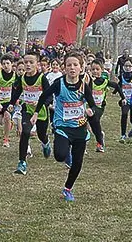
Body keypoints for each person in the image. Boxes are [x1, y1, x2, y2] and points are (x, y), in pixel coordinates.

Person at [33, 53, 95, 202]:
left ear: (81, 68)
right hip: (62, 126)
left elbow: (93, 104)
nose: (72, 68)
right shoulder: (59, 84)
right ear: (64, 68)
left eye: (75, 65)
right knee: (60, 155)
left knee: (78, 163)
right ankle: (65, 152)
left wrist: (91, 110)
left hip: (80, 127)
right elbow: (43, 96)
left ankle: (68, 188)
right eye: (69, 65)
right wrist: (36, 113)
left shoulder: (84, 86)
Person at [9, 52, 52, 176]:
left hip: (41, 112)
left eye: (31, 62)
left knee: (41, 135)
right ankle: (22, 162)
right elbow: (17, 92)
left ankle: (46, 143)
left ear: (37, 64)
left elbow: (49, 96)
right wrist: (12, 103)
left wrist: (43, 104)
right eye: (25, 62)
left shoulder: (42, 78)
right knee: (25, 132)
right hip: (27, 110)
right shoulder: (22, 78)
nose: (28, 65)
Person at [88, 59, 124, 152]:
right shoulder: (88, 81)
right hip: (89, 106)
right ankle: (99, 137)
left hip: (100, 107)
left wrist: (122, 97)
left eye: (97, 69)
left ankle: (100, 144)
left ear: (102, 70)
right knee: (92, 126)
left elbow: (116, 85)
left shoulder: (105, 81)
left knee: (95, 120)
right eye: (93, 69)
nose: (95, 71)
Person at [116, 58, 132, 142]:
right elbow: (118, 87)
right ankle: (123, 135)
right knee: (124, 114)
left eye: (129, 66)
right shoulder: (121, 76)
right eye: (126, 66)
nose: (127, 68)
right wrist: (121, 97)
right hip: (125, 100)